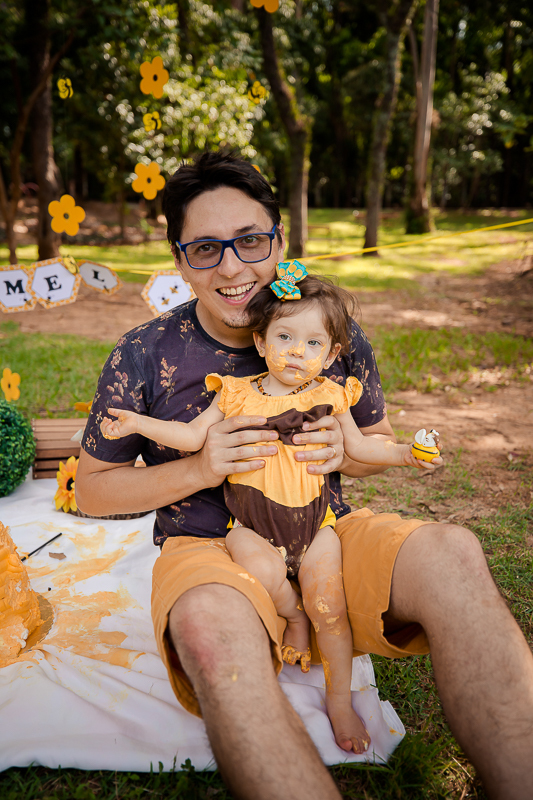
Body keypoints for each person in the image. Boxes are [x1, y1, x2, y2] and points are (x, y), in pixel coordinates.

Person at [76, 150, 533, 800]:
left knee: (453, 552)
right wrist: (201, 467)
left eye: (250, 241)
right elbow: (93, 489)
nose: (232, 267)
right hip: (210, 548)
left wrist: (344, 452)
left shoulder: (328, 328)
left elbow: (371, 441)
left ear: (280, 241)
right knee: (211, 635)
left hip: (324, 529)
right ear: (179, 259)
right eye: (205, 249)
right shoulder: (144, 352)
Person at [99, 269, 437, 755]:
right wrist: (138, 421)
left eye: (312, 343)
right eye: (285, 337)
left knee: (332, 608)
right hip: (252, 527)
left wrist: (407, 453)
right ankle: (289, 613)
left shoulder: (330, 394)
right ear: (260, 341)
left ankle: (339, 700)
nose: (297, 351)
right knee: (256, 564)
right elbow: (193, 438)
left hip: (315, 526)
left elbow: (365, 447)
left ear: (331, 354)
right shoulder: (237, 393)